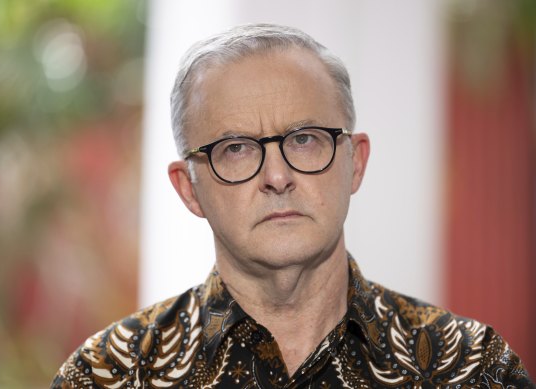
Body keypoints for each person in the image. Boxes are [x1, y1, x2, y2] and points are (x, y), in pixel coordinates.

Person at [51, 23, 533, 388]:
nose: (277, 177)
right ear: (189, 189)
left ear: (356, 163)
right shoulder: (111, 373)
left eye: (304, 139)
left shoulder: (469, 367)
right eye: (236, 148)